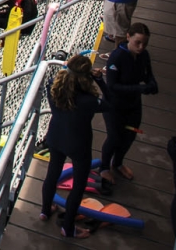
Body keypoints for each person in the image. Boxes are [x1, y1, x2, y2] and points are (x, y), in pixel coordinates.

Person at [39, 55, 113, 239]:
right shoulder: (88, 101)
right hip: (78, 143)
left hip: (55, 137)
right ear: (85, 76)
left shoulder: (53, 88)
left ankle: (45, 210)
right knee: (78, 185)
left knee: (52, 174)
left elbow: (57, 80)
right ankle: (68, 227)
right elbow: (110, 104)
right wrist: (99, 81)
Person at [100, 23, 158, 194]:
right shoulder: (116, 58)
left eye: (144, 44)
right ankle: (104, 168)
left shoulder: (143, 55)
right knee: (114, 137)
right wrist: (140, 88)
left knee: (130, 135)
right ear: (128, 38)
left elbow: (148, 75)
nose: (141, 47)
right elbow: (112, 86)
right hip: (114, 105)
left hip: (133, 104)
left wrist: (152, 84)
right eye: (137, 43)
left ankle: (117, 163)